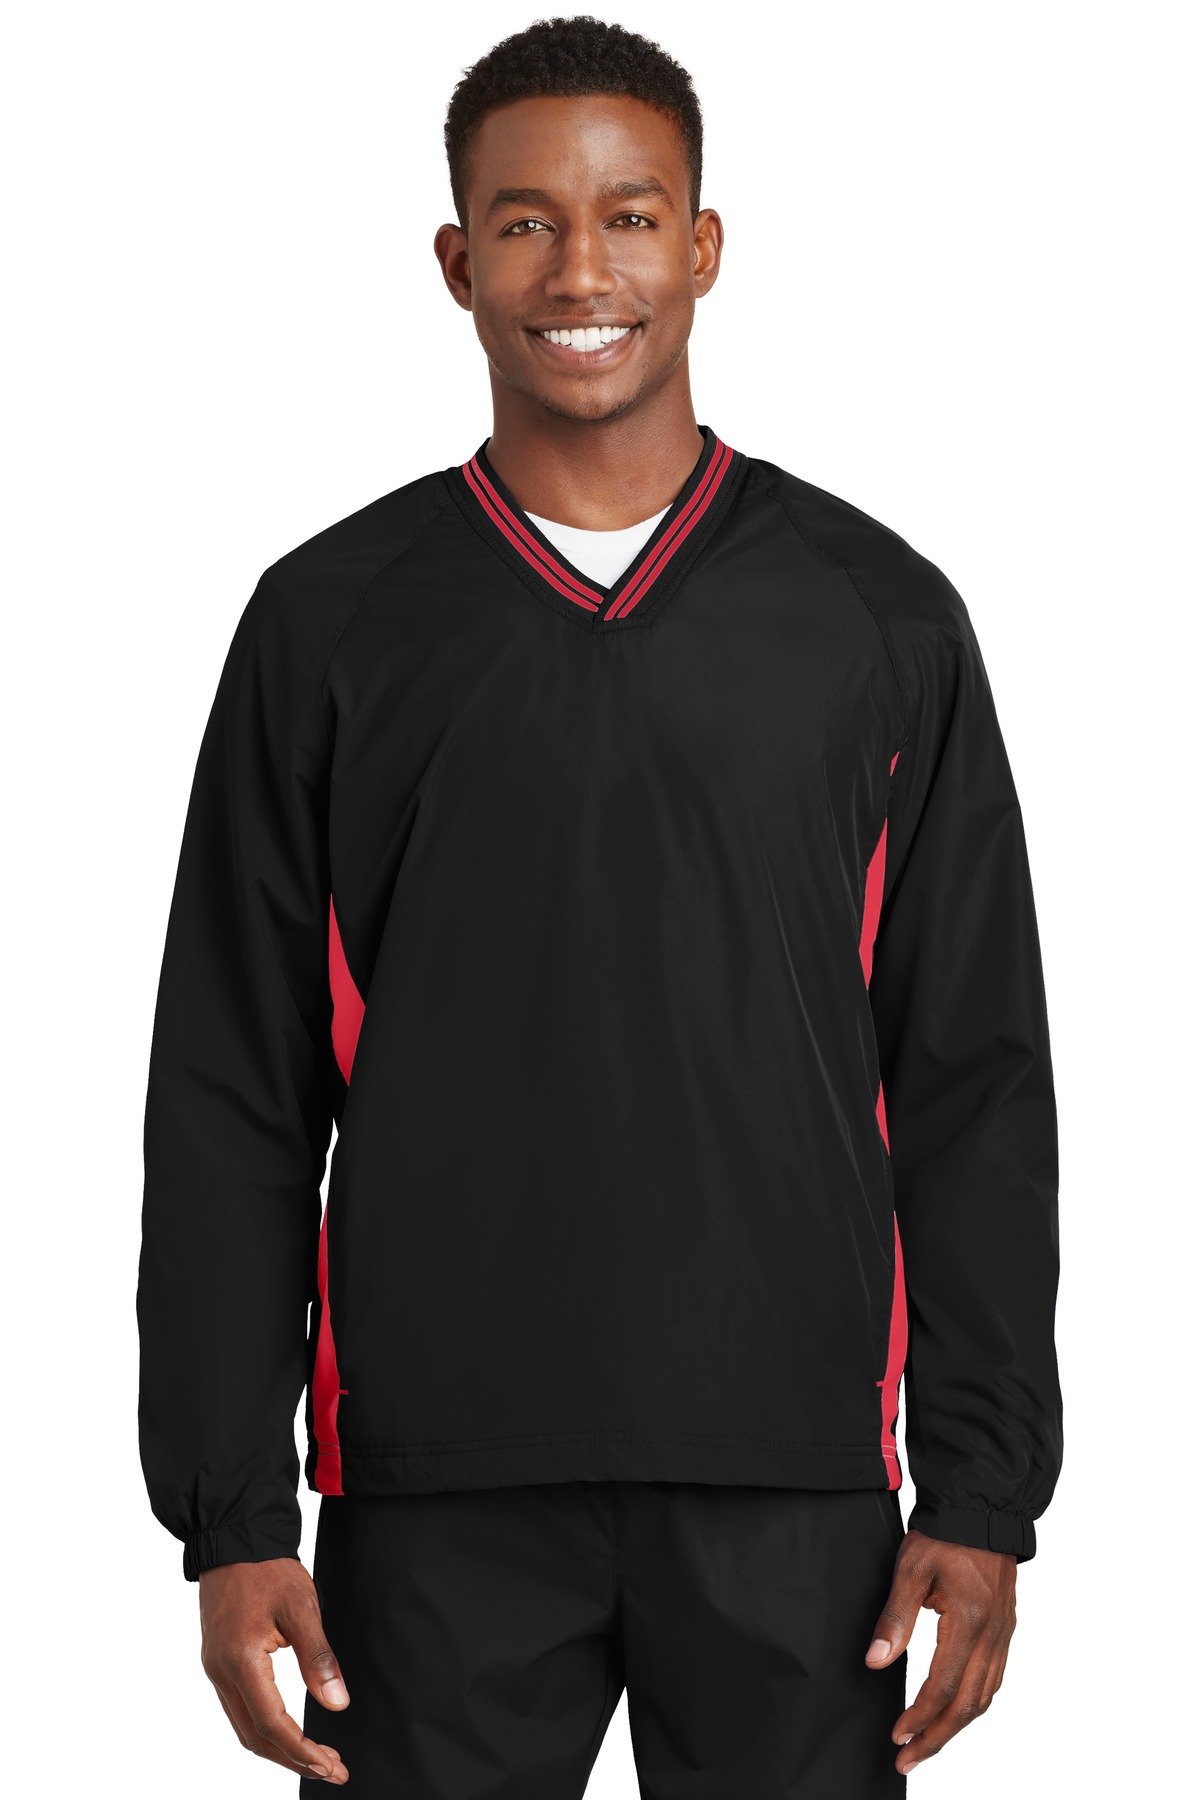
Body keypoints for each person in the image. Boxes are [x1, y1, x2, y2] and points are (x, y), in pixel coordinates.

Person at [137, 16, 1063, 1797]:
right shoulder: (329, 623)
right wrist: (230, 1513)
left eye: (630, 217)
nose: (581, 272)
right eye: (525, 223)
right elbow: (232, 1089)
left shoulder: (878, 618)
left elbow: (973, 1077)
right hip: (435, 1486)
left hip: (798, 1486)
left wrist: (983, 1485)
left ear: (702, 247)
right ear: (454, 260)